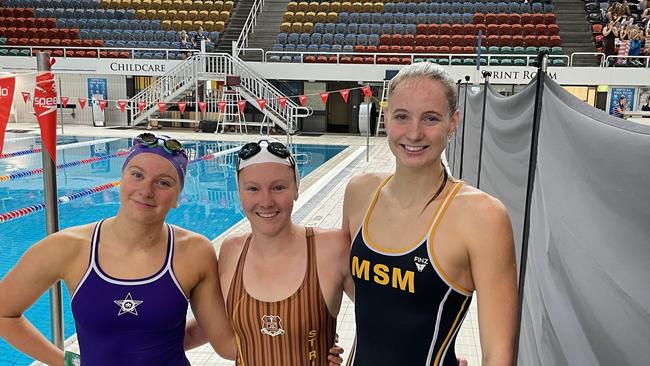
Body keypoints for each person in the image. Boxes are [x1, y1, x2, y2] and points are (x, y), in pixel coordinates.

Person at [0, 133, 235, 365]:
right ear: (121, 179)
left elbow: (212, 333)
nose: (146, 191)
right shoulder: (67, 247)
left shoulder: (195, 251)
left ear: (177, 197)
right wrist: (67, 362)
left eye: (163, 182)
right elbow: (4, 313)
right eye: (137, 175)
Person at [342, 63, 517, 365]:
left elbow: (499, 353)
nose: (414, 133)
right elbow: (358, 288)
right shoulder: (360, 193)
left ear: (453, 122)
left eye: (431, 118)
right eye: (402, 117)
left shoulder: (482, 217)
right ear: (386, 118)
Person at [184, 138, 352, 366]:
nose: (266, 201)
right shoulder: (231, 250)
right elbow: (216, 325)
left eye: (278, 187)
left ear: (296, 187)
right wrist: (139, 341)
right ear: (240, 192)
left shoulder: (332, 247)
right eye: (253, 189)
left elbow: (381, 317)